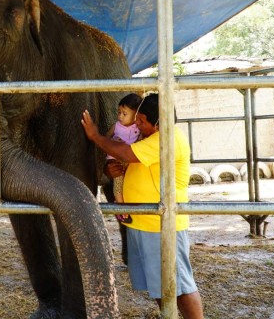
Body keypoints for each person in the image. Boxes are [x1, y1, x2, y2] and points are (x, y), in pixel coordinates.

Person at [81, 93, 204, 319]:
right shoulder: (147, 139)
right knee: (158, 284)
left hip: (162, 225)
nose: (137, 123)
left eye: (142, 120)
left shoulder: (166, 138)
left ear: (158, 123)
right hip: (143, 221)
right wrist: (113, 170)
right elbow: (132, 162)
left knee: (181, 286)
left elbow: (126, 153)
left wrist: (95, 136)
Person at [106, 93, 142, 223]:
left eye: (124, 113)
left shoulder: (138, 128)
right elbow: (106, 138)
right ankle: (122, 212)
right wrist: (114, 141)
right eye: (119, 112)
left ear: (136, 115)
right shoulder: (116, 126)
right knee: (118, 185)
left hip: (130, 161)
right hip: (116, 161)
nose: (120, 116)